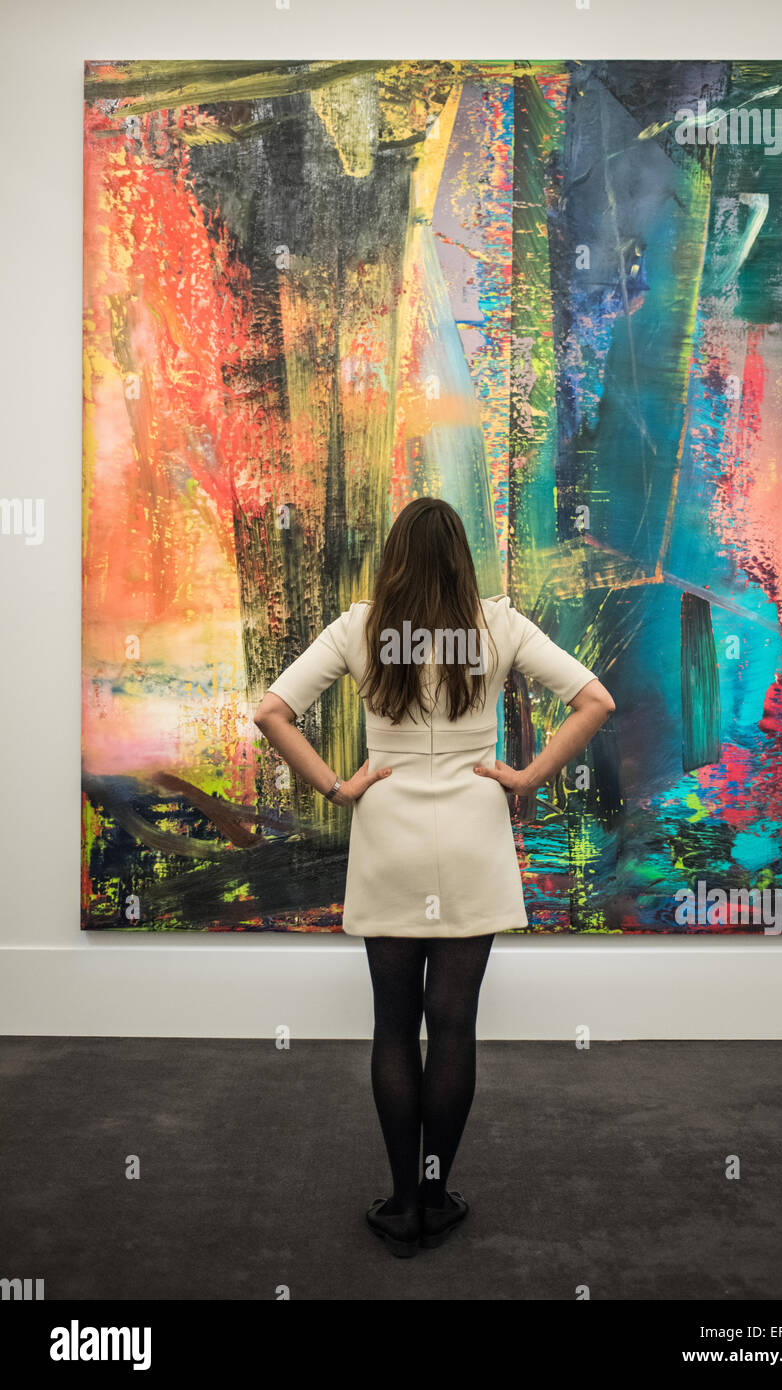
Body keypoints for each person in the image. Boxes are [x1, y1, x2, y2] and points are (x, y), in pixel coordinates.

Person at [254, 497, 615, 1257]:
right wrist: (524, 776)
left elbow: (271, 712)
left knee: (393, 1023)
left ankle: (398, 1204)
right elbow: (594, 700)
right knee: (452, 1024)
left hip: (387, 836)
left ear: (394, 559)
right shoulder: (499, 626)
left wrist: (336, 787)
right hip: (472, 835)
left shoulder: (359, 627)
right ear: (461, 557)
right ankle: (435, 1194)